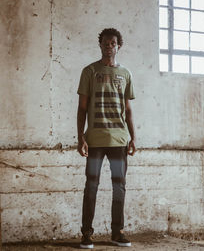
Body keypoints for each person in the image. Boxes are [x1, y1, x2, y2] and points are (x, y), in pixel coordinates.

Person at [76, 28, 136, 249]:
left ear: (118, 45)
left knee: (119, 187)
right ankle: (86, 234)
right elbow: (82, 108)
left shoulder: (126, 74)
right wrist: (80, 137)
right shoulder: (89, 71)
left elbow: (128, 109)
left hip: (119, 140)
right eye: (105, 42)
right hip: (95, 140)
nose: (108, 46)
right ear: (99, 44)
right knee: (91, 186)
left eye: (112, 43)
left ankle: (117, 232)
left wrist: (133, 137)